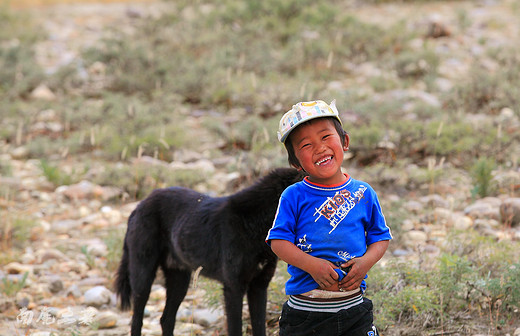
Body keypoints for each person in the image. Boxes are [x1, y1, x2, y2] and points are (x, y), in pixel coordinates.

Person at [266, 100, 392, 336]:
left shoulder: (364, 193)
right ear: (295, 162)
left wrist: (365, 263)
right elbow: (278, 242)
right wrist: (312, 265)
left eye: (325, 137)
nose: (319, 148)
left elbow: (381, 237)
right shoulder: (293, 196)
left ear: (344, 141)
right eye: (306, 145)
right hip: (305, 314)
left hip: (355, 309)